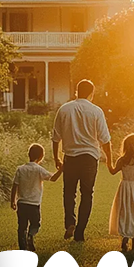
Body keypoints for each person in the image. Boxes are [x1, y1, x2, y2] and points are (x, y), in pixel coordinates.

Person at [52, 79, 112, 242]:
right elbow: (105, 140)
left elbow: (55, 137)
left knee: (69, 192)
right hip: (89, 158)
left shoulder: (64, 109)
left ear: (76, 91)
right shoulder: (96, 111)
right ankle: (80, 231)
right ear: (91, 93)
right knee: (87, 194)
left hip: (70, 157)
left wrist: (56, 157)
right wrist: (110, 160)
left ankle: (70, 223)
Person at [11, 143, 62, 251]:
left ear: (28, 154)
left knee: (21, 226)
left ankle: (23, 247)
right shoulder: (39, 170)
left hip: (22, 203)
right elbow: (53, 178)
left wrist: (13, 201)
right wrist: (61, 170)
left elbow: (14, 186)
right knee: (35, 224)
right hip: (34, 204)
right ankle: (30, 235)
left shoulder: (20, 169)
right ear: (41, 157)